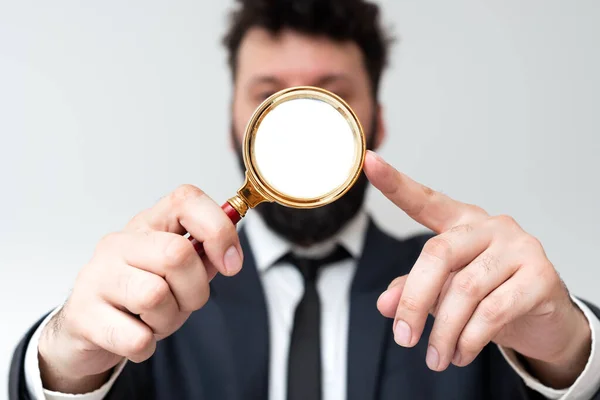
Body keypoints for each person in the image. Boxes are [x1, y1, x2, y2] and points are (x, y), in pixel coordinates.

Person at [9, 0, 600, 399]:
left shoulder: (462, 289)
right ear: (234, 122)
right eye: (272, 97)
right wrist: (63, 360)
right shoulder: (162, 294)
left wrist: (572, 350)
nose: (301, 127)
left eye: (329, 98)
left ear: (375, 122)